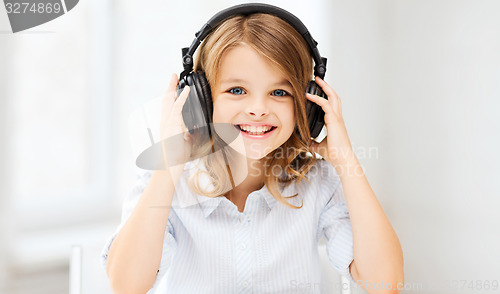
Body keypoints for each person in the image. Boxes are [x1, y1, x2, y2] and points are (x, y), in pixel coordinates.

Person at [101, 4, 404, 294]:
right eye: (236, 90)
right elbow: (127, 286)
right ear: (200, 101)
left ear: (307, 104)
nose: (258, 109)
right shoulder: (168, 180)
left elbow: (385, 283)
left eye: (279, 92)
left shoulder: (319, 182)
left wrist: (346, 160)